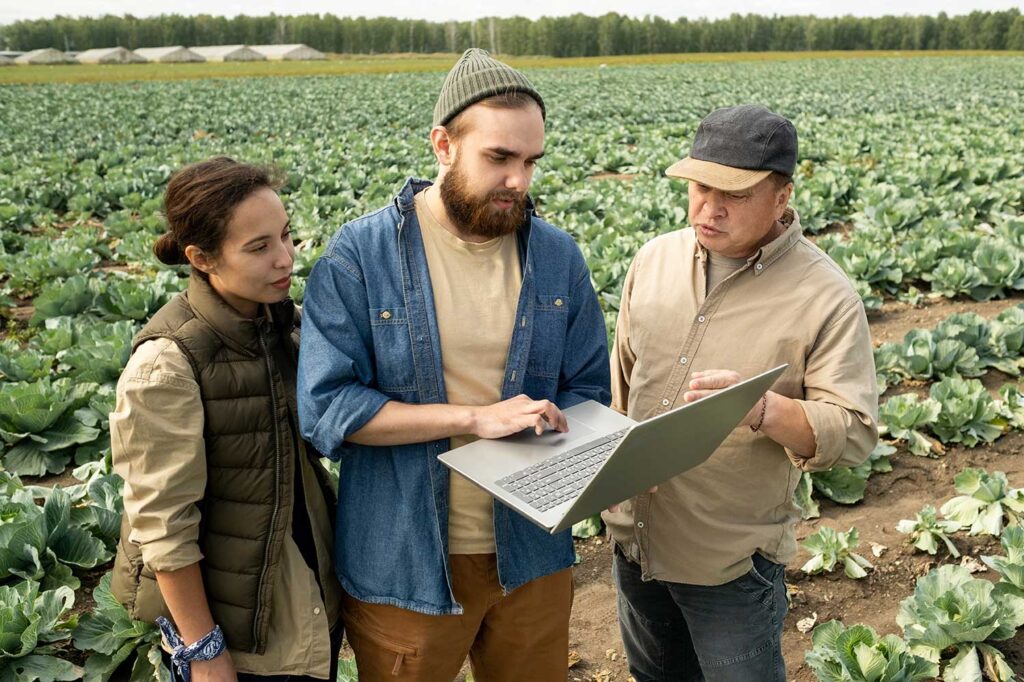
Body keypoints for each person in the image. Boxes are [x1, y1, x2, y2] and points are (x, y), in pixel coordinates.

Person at [297, 49, 610, 681]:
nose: (519, 180)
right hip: (407, 563)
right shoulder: (361, 256)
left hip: (532, 555)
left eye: (530, 161)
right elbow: (328, 408)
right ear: (444, 145)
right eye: (499, 158)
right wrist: (475, 417)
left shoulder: (555, 257)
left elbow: (587, 390)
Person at [602, 104, 879, 681]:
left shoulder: (825, 296)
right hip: (634, 542)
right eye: (700, 186)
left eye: (736, 193)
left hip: (727, 565)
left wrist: (762, 409)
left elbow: (853, 434)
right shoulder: (652, 260)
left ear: (782, 197)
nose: (710, 207)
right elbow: (622, 385)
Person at [110, 157, 342, 682]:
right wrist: (204, 650)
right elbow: (163, 527)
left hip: (303, 594)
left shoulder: (282, 324)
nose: (285, 259)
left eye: (286, 236)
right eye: (259, 247)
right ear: (202, 258)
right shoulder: (166, 365)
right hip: (237, 632)